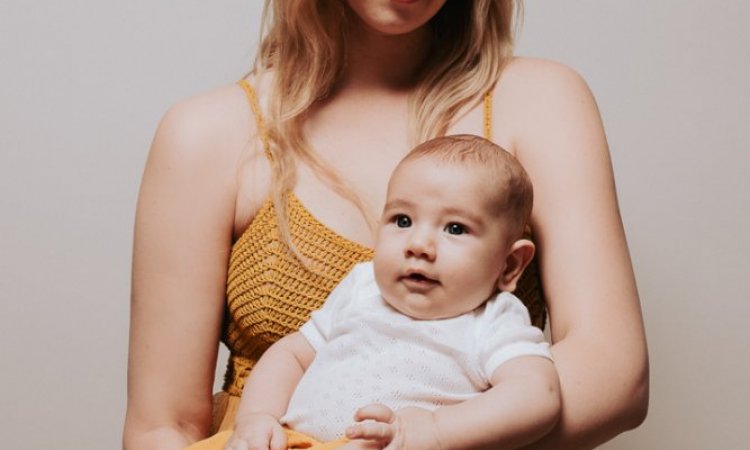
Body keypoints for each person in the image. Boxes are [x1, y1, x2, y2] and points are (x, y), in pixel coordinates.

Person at [124, 1, 649, 449]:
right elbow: (162, 426)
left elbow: (613, 376)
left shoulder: (539, 99)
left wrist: (436, 435)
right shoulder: (206, 133)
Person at [186, 135, 560, 450]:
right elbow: (291, 355)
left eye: (456, 229)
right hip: (293, 441)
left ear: (509, 266)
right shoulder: (362, 287)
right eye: (402, 220)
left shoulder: (492, 320)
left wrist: (431, 430)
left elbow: (536, 395)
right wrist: (258, 418)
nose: (419, 244)